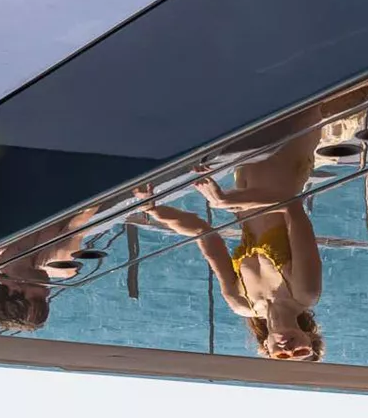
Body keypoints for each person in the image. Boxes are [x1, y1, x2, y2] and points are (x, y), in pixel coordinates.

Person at [135, 134, 324, 361]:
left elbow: (205, 235)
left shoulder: (241, 302)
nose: (289, 348)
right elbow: (291, 207)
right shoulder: (305, 293)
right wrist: (224, 201)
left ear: (267, 347)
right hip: (285, 163)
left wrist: (153, 210)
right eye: (301, 351)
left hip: (244, 173)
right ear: (310, 338)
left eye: (282, 356)